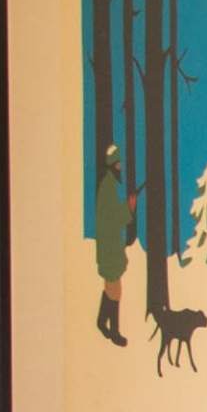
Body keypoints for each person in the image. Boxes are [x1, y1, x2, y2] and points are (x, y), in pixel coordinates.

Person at [91, 143, 134, 347]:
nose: (120, 168)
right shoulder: (107, 188)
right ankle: (113, 331)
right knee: (114, 288)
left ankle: (102, 322)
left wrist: (126, 207)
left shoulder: (108, 186)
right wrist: (128, 207)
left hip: (110, 246)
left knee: (112, 287)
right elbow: (113, 218)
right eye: (118, 165)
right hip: (109, 248)